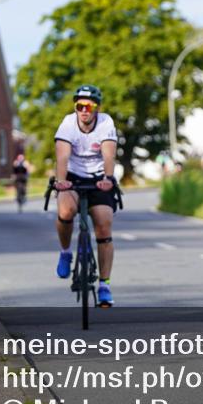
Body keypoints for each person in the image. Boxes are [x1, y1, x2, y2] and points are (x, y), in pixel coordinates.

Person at [52, 84, 119, 307]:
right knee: (65, 211)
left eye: (88, 106)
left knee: (103, 224)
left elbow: (109, 154)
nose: (84, 110)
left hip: (99, 177)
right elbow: (62, 158)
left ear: (96, 108)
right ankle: (65, 252)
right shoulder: (68, 123)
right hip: (72, 175)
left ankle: (104, 285)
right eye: (79, 105)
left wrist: (108, 178)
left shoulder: (106, 122)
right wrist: (61, 181)